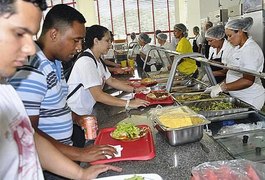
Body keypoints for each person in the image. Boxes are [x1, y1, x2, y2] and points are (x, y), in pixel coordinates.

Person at [0, 0, 121, 179]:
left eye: (31, 35)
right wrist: (80, 154)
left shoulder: (53, 64)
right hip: (51, 167)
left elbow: (29, 134)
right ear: (54, 34)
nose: (28, 48)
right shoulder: (31, 69)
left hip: (59, 158)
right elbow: (31, 135)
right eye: (19, 33)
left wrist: (80, 172)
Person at [67, 25, 150, 117]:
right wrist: (129, 103)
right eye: (107, 41)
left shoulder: (97, 59)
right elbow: (98, 95)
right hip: (75, 115)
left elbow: (111, 81)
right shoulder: (86, 61)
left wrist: (135, 90)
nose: (110, 44)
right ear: (96, 41)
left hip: (86, 111)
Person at [206, 17, 265, 110]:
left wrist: (223, 88)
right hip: (238, 98)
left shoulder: (250, 50)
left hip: (250, 99)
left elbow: (248, 81)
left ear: (240, 32)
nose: (228, 39)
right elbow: (232, 74)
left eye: (230, 36)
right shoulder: (237, 48)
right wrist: (219, 85)